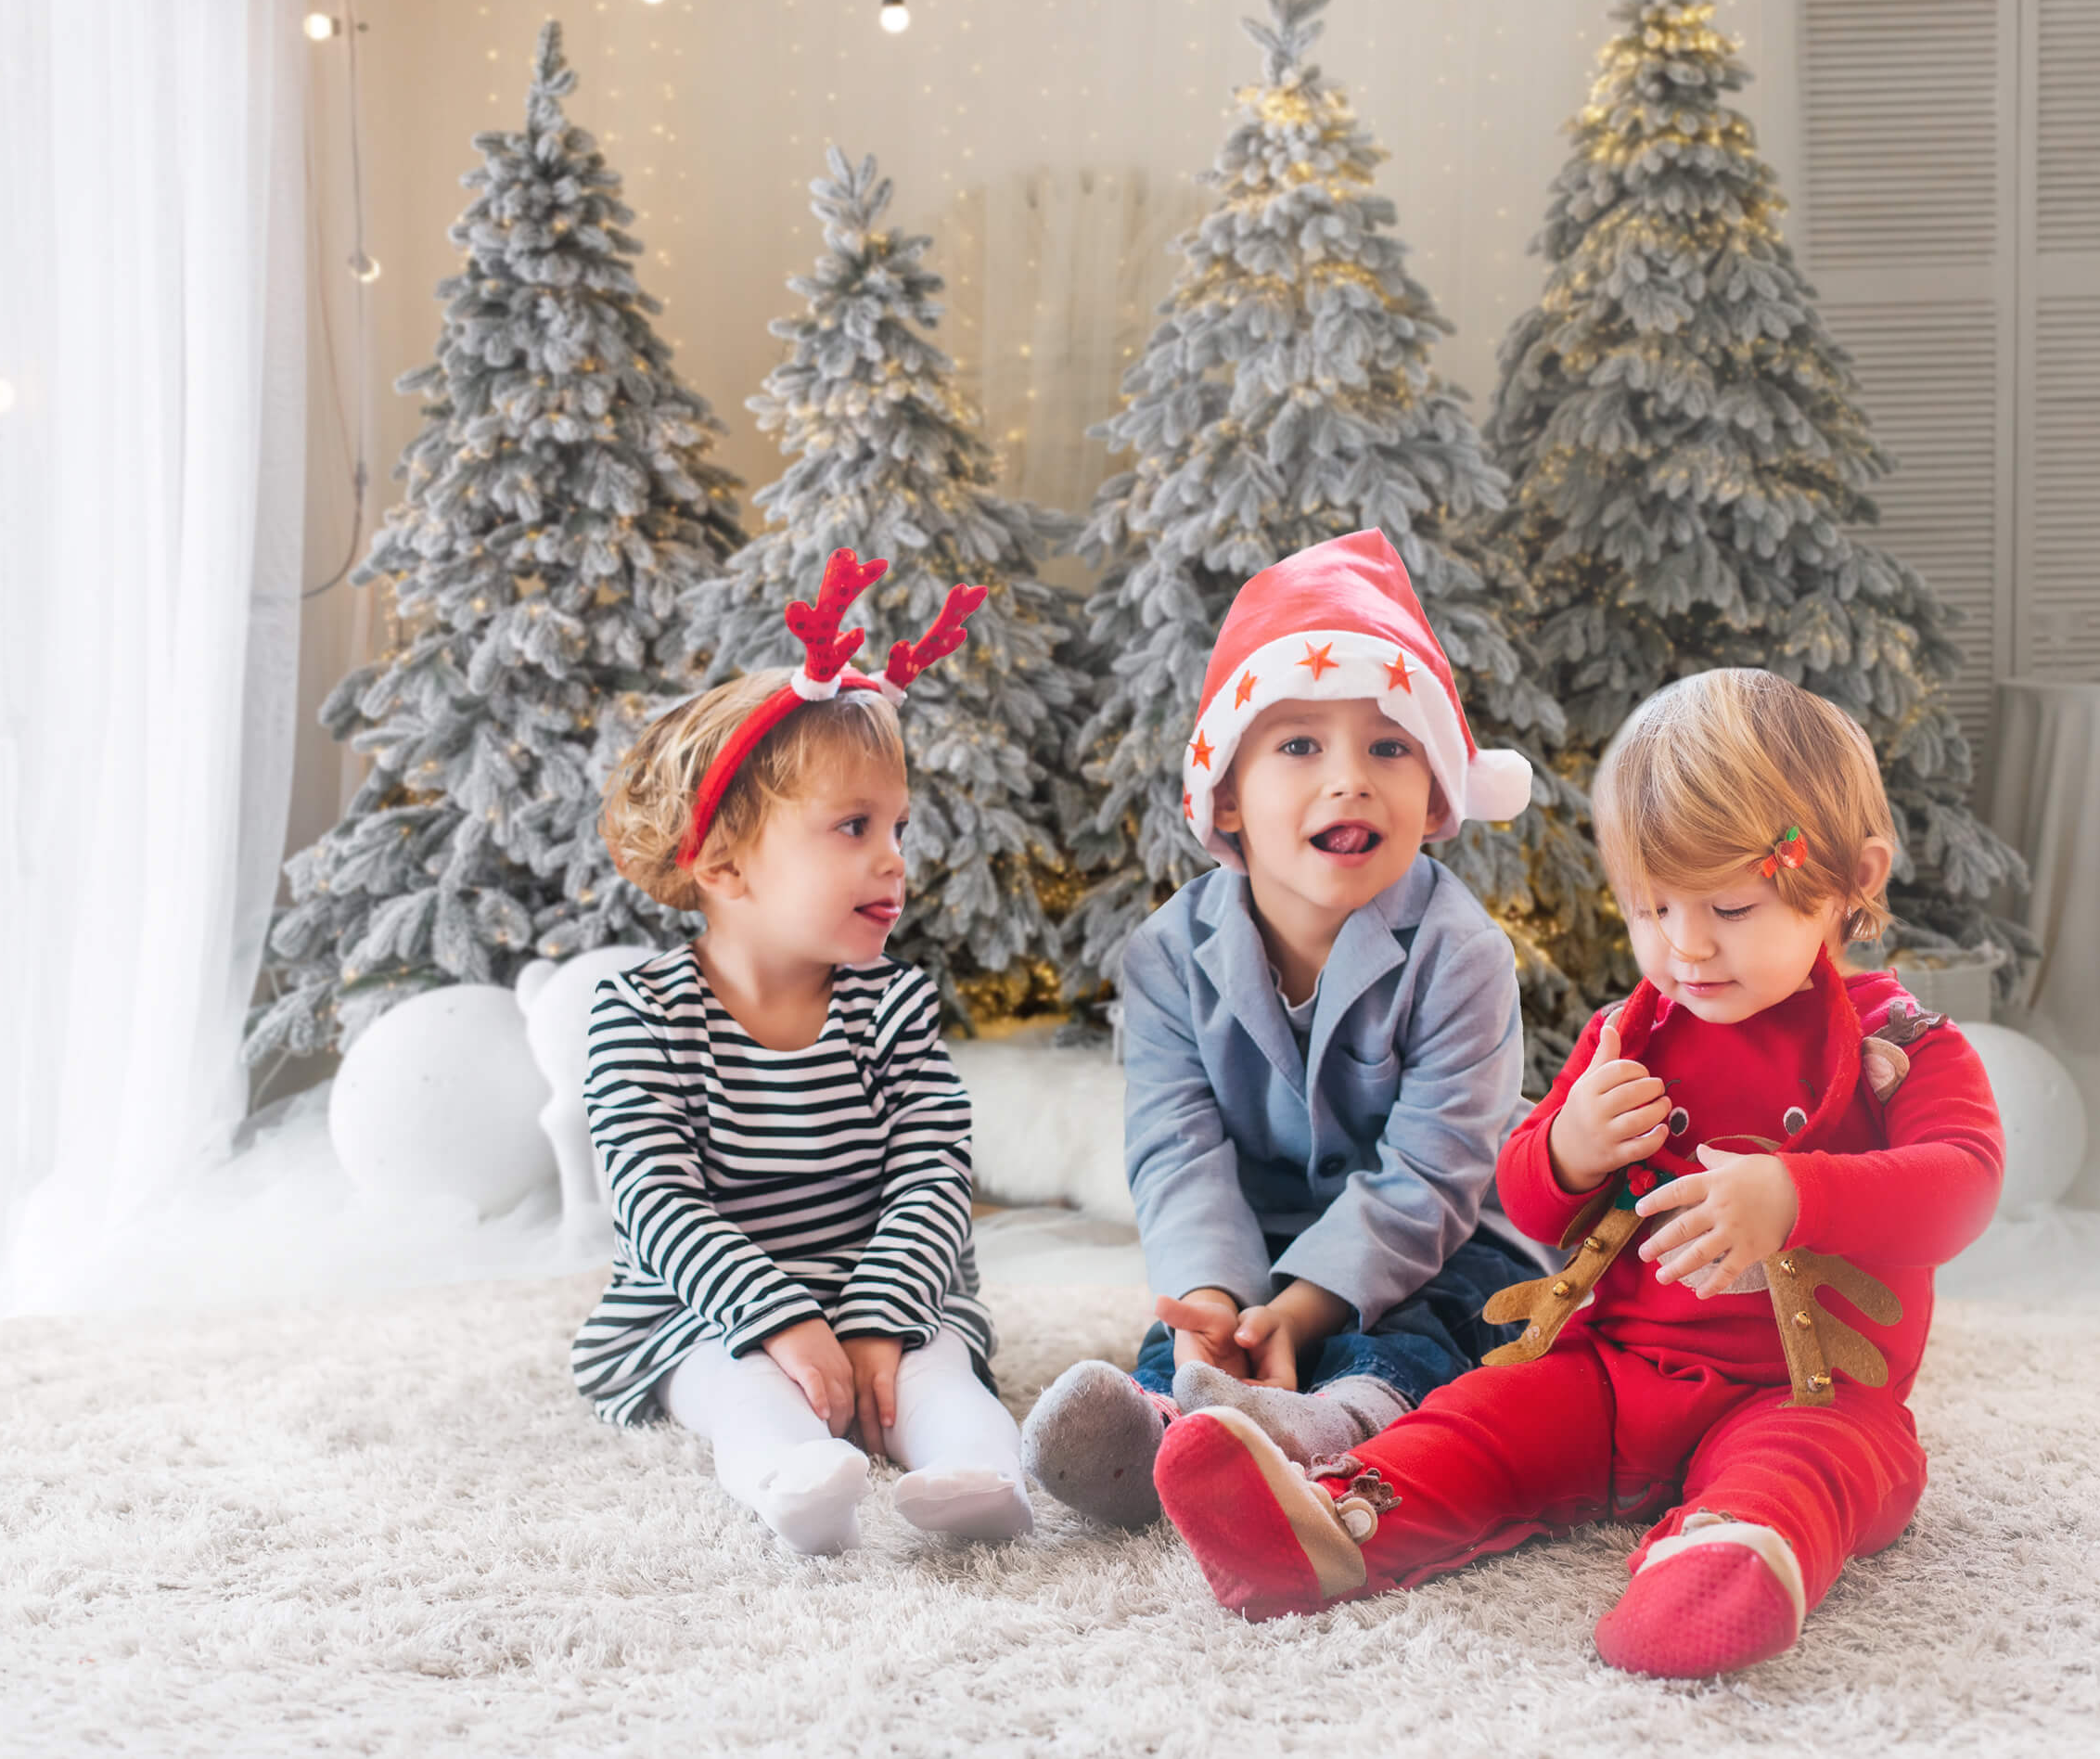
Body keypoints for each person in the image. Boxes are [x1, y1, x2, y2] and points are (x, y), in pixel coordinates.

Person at [1151, 666, 2005, 1677]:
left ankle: (1722, 1558)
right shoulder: (1627, 1034)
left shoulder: (1896, 1041)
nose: (1685, 947)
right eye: (1652, 909)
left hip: (1802, 1386)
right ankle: (1336, 1519)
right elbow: (1522, 1197)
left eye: (1729, 906)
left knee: (1809, 1464)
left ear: (1853, 877)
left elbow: (1964, 1179)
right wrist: (1569, 1147)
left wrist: (1797, 1196)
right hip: (1615, 1370)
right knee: (1484, 1413)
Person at [1022, 529, 1549, 1527]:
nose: (1349, 777)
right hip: (1256, 1237)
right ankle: (1156, 1431)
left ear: (1436, 792)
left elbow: (1434, 1173)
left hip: (1445, 1234)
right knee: (1187, 1329)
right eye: (1300, 744)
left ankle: (1335, 1426)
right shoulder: (1167, 956)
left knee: (1451, 1317)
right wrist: (1218, 1305)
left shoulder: (1461, 952)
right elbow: (1177, 1152)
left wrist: (1303, 1310)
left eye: (1389, 746)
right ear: (1224, 795)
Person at [569, 548, 1031, 1555]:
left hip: (887, 1286)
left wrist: (879, 1314)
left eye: (898, 826)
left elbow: (931, 1173)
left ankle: (981, 1473)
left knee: (935, 1374)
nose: (894, 858)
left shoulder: (894, 1005)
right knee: (734, 1387)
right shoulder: (639, 1015)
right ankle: (791, 1477)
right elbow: (655, 1199)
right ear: (725, 864)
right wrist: (774, 1317)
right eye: (853, 826)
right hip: (707, 1305)